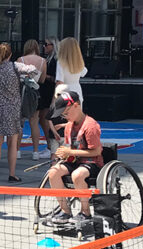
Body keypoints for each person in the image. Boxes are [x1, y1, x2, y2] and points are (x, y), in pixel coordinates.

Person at [44, 91, 103, 235]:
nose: (64, 117)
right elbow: (70, 148)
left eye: (66, 113)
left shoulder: (90, 126)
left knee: (77, 175)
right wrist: (64, 153)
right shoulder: (69, 126)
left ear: (76, 106)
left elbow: (96, 152)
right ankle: (65, 210)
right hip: (74, 160)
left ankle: (85, 212)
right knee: (53, 171)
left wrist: (71, 152)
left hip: (92, 162)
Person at [0, 43, 35, 182]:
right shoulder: (15, 66)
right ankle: (12, 174)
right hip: (12, 108)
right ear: (10, 54)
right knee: (12, 143)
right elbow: (34, 70)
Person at [17, 39, 48, 159]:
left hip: (22, 92)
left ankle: (17, 150)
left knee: (20, 123)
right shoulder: (42, 61)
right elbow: (42, 80)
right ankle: (35, 152)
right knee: (34, 122)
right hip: (35, 92)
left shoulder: (21, 60)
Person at [55, 37, 88, 106]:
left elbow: (59, 82)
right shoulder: (79, 62)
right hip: (77, 90)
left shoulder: (61, 62)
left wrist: (55, 98)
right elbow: (84, 73)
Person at [38, 37, 59, 148]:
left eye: (46, 44)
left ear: (53, 46)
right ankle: (49, 143)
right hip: (45, 90)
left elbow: (56, 78)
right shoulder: (48, 59)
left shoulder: (56, 60)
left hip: (50, 90)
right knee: (43, 118)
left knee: (45, 118)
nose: (44, 47)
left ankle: (50, 144)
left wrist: (44, 76)